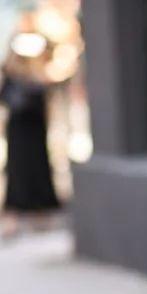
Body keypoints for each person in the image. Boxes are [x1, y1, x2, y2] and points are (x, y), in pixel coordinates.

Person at [1, 37, 61, 236]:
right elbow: (8, 100)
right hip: (19, 131)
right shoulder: (12, 77)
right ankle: (18, 213)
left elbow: (43, 100)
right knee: (18, 170)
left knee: (37, 168)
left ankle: (39, 211)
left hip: (34, 131)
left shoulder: (39, 76)